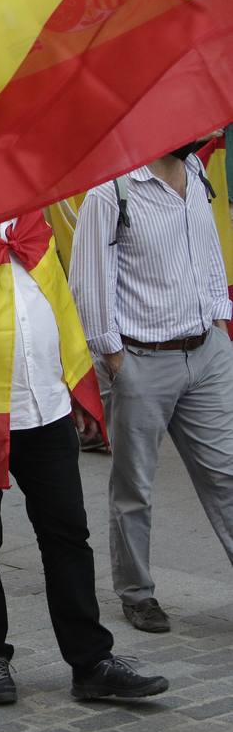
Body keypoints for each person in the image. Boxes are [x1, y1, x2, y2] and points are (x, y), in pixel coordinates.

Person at [0, 194, 170, 706]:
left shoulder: (27, 218)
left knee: (68, 533)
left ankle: (91, 660)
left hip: (45, 406)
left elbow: (56, 301)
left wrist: (73, 381)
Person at [69, 136, 233, 633]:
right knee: (135, 487)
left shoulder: (196, 173)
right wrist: (116, 358)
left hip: (206, 352)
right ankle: (137, 593)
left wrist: (221, 325)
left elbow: (207, 253)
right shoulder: (110, 191)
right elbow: (88, 281)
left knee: (227, 475)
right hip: (142, 360)